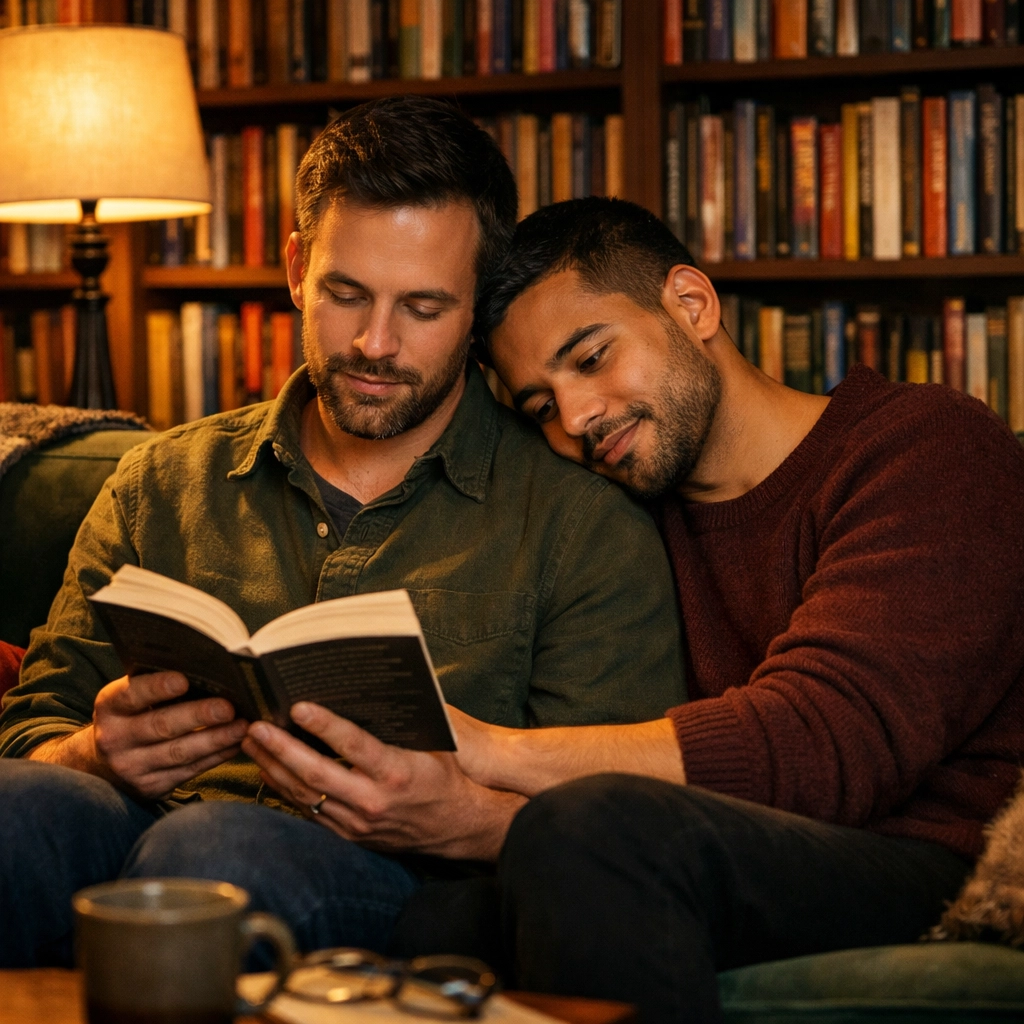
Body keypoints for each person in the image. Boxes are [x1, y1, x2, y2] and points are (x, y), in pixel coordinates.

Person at [238, 196, 1024, 1023]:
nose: (577, 419)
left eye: (591, 357)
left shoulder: (928, 446)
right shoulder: (625, 520)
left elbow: (823, 741)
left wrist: (480, 751)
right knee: (438, 916)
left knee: (590, 830)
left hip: (937, 866)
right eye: (540, 406)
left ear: (691, 305)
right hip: (726, 853)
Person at [0, 110, 685, 968]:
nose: (375, 344)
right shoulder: (161, 481)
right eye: (346, 294)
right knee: (14, 809)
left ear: (477, 308)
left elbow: (612, 824)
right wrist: (96, 754)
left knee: (215, 856)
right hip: (135, 818)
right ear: (296, 269)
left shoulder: (579, 522)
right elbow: (31, 726)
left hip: (392, 870)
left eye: (424, 307)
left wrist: (452, 809)